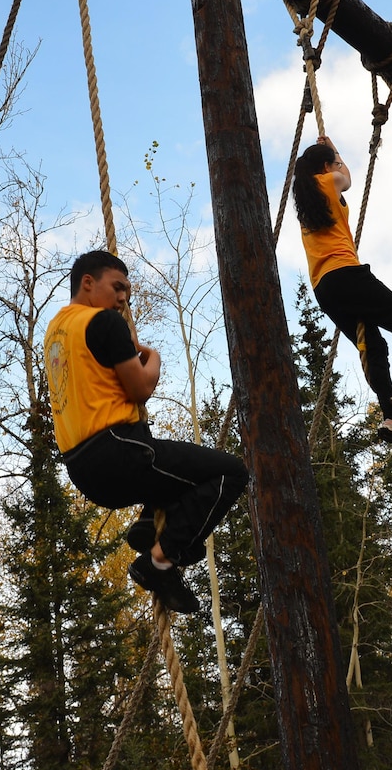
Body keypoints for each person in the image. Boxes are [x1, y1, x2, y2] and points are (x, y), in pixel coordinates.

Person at [48, 249, 250, 615]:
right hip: (118, 450)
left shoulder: (57, 333)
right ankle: (158, 562)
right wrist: (154, 357)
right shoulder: (106, 324)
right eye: (118, 287)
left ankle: (148, 522)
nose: (124, 298)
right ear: (88, 283)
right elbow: (140, 389)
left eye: (128, 292)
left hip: (82, 470)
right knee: (230, 472)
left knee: (177, 472)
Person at [293, 136, 392, 449]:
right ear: (327, 166)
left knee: (374, 347)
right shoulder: (328, 182)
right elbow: (348, 179)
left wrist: (328, 154)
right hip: (346, 274)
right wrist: (336, 150)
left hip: (325, 289)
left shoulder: (306, 204)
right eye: (332, 163)